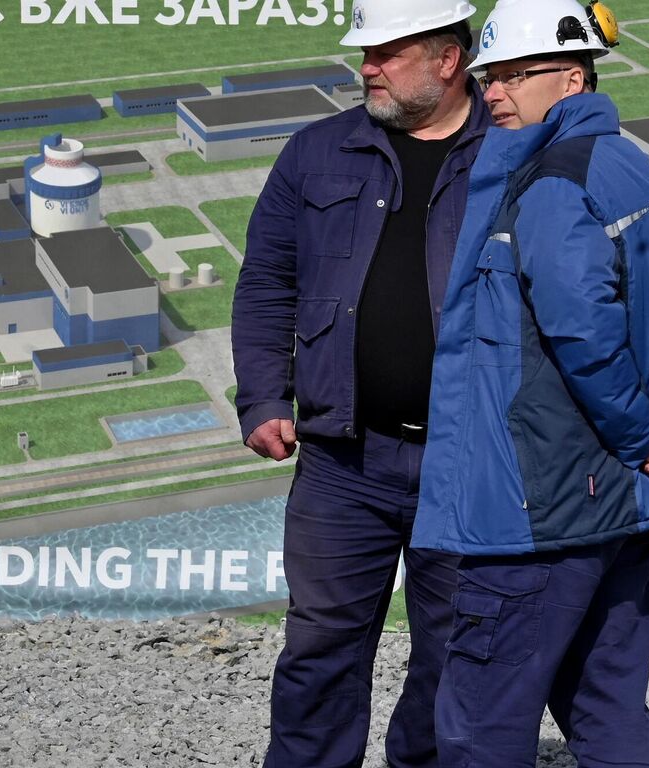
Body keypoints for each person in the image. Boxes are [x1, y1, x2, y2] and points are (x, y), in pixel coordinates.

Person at [411, 0, 649, 765]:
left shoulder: (552, 184)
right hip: (614, 507)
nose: (495, 94)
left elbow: (584, 332)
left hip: (535, 510)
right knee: (607, 709)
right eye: (489, 77)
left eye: (516, 74)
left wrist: (648, 437)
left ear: (572, 78)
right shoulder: (632, 168)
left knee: (480, 721)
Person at [229, 0, 492, 765]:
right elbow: (266, 285)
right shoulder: (317, 152)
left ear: (448, 58)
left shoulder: (513, 153)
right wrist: (264, 397)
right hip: (344, 464)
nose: (366, 67)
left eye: (386, 52)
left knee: (453, 658)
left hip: (468, 464)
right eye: (365, 52)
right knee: (319, 653)